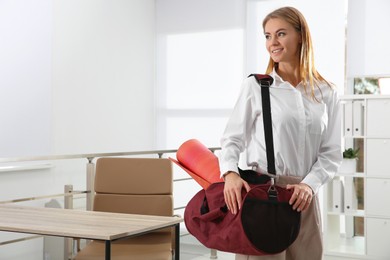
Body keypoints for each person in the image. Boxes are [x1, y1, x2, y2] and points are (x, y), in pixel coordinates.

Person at [219, 6, 342, 260]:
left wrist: (309, 186)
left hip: (304, 198)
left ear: (300, 36)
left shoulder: (327, 92)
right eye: (267, 35)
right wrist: (230, 172)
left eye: (281, 34)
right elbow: (232, 139)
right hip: (264, 197)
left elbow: (331, 153)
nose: (272, 42)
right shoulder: (256, 86)